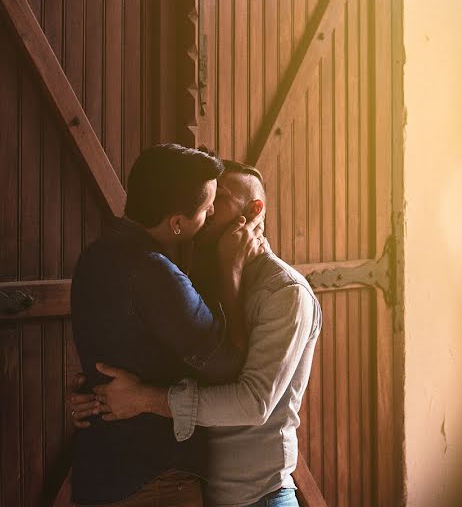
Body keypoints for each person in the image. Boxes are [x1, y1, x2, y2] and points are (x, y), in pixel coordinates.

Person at [71, 158, 321, 507]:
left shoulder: (285, 293)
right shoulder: (191, 276)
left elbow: (253, 403)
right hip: (195, 489)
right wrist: (95, 392)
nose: (211, 207)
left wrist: (143, 398)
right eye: (209, 200)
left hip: (254, 495)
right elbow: (166, 361)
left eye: (223, 198)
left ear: (254, 210)